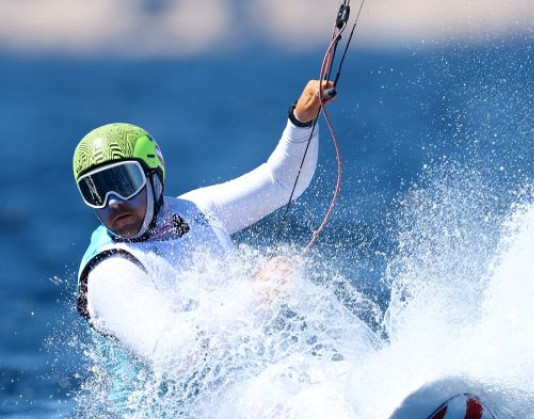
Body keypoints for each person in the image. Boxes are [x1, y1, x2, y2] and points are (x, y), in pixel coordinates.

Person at [72, 80, 336, 373]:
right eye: (96, 191)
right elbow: (175, 357)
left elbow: (282, 182)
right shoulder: (111, 273)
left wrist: (301, 121)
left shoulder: (195, 213)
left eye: (124, 183)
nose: (113, 202)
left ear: (154, 177)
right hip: (181, 417)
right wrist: (257, 294)